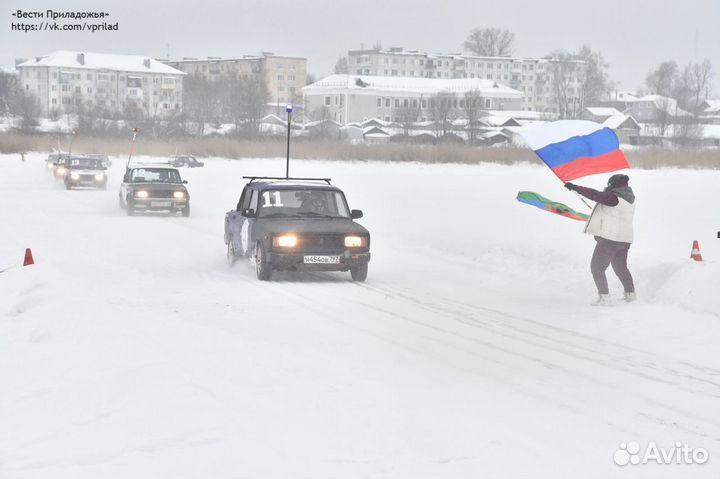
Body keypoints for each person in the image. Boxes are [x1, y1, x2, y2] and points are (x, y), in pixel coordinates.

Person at [565, 174, 636, 306]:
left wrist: (575, 187)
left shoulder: (614, 198)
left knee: (597, 267)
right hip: (625, 240)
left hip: (610, 239)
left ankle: (604, 297)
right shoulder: (630, 199)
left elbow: (595, 195)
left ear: (613, 184)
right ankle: (630, 295)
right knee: (620, 267)